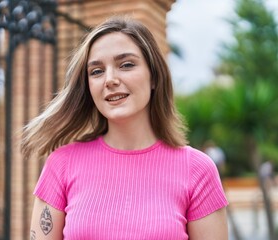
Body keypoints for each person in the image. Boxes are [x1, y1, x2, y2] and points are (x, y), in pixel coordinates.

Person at [22, 16, 228, 240]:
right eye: (97, 71)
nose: (109, 79)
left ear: (154, 78)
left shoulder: (197, 170)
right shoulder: (61, 165)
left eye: (126, 65)